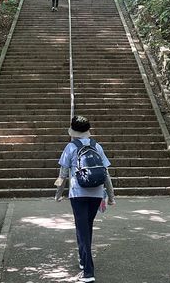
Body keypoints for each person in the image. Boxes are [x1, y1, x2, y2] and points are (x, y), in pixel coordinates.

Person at [55, 116, 115, 283]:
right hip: (96, 194)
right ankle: (83, 260)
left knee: (82, 229)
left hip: (78, 193)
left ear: (73, 132)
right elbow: (106, 174)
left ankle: (88, 273)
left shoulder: (70, 147)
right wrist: (111, 197)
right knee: (86, 227)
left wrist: (58, 194)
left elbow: (62, 175)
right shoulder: (97, 146)